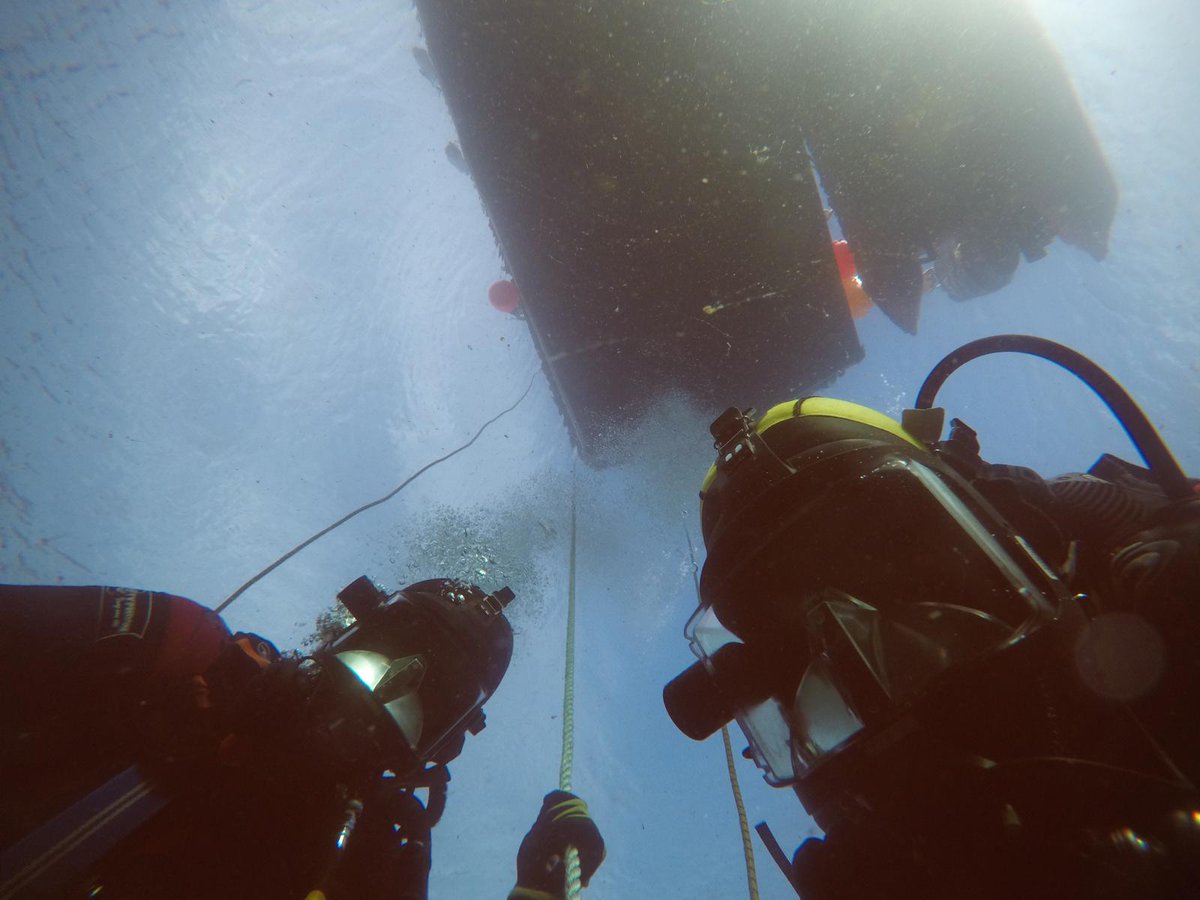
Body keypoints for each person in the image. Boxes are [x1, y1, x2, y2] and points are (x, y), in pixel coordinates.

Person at [664, 339, 1199, 899]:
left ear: (1009, 531)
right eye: (800, 648)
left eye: (907, 580)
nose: (872, 650)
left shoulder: (1156, 602)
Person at [0, 576, 604, 899]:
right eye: (387, 650)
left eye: (427, 702)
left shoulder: (378, 864)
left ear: (439, 747)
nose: (387, 689)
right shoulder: (186, 650)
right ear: (345, 632)